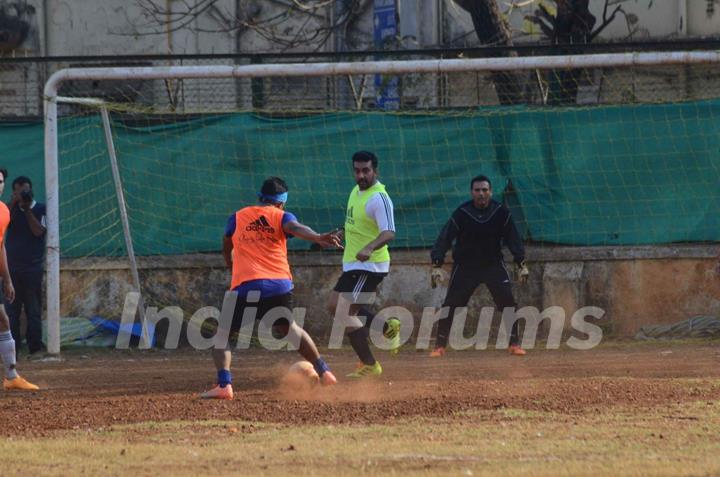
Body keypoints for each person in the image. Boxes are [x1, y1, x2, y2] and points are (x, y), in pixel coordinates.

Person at [201, 177, 340, 400]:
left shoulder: (237, 218)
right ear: (282, 203)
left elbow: (226, 248)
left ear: (260, 198)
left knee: (222, 335)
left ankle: (224, 385)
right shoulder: (282, 216)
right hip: (279, 286)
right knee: (290, 329)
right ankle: (324, 371)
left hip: (247, 285)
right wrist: (317, 237)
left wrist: (232, 268)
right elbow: (295, 228)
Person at [429, 175, 529, 357]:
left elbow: (513, 238)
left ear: (490, 191)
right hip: (466, 266)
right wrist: (437, 264)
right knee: (450, 304)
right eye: (477, 190)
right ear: (471, 192)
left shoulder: (501, 212)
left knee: (507, 301)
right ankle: (439, 346)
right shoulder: (462, 212)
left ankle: (514, 343)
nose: (481, 194)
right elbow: (445, 237)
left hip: (493, 265)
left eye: (485, 190)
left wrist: (521, 262)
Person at [326, 151, 399, 379]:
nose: (361, 175)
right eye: (357, 170)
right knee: (335, 307)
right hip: (353, 264)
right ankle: (386, 327)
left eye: (366, 170)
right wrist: (341, 232)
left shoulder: (380, 198)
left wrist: (370, 247)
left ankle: (370, 364)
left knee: (342, 309)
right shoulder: (356, 192)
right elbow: (357, 222)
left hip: (371, 266)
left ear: (375, 171)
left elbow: (389, 232)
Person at [0, 169, 39, 391]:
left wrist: (7, 280)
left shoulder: (4, 211)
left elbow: (1, 246)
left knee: (3, 321)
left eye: (1, 181)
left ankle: (11, 377)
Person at [6, 176, 46, 357]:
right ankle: (12, 348)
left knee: (33, 309)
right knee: (11, 312)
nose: (23, 194)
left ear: (32, 190)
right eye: (19, 191)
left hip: (32, 268)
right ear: (14, 192)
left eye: (26, 191)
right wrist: (13, 204)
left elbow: (39, 231)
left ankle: (35, 347)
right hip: (12, 269)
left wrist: (27, 210)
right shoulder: (9, 210)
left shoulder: (40, 208)